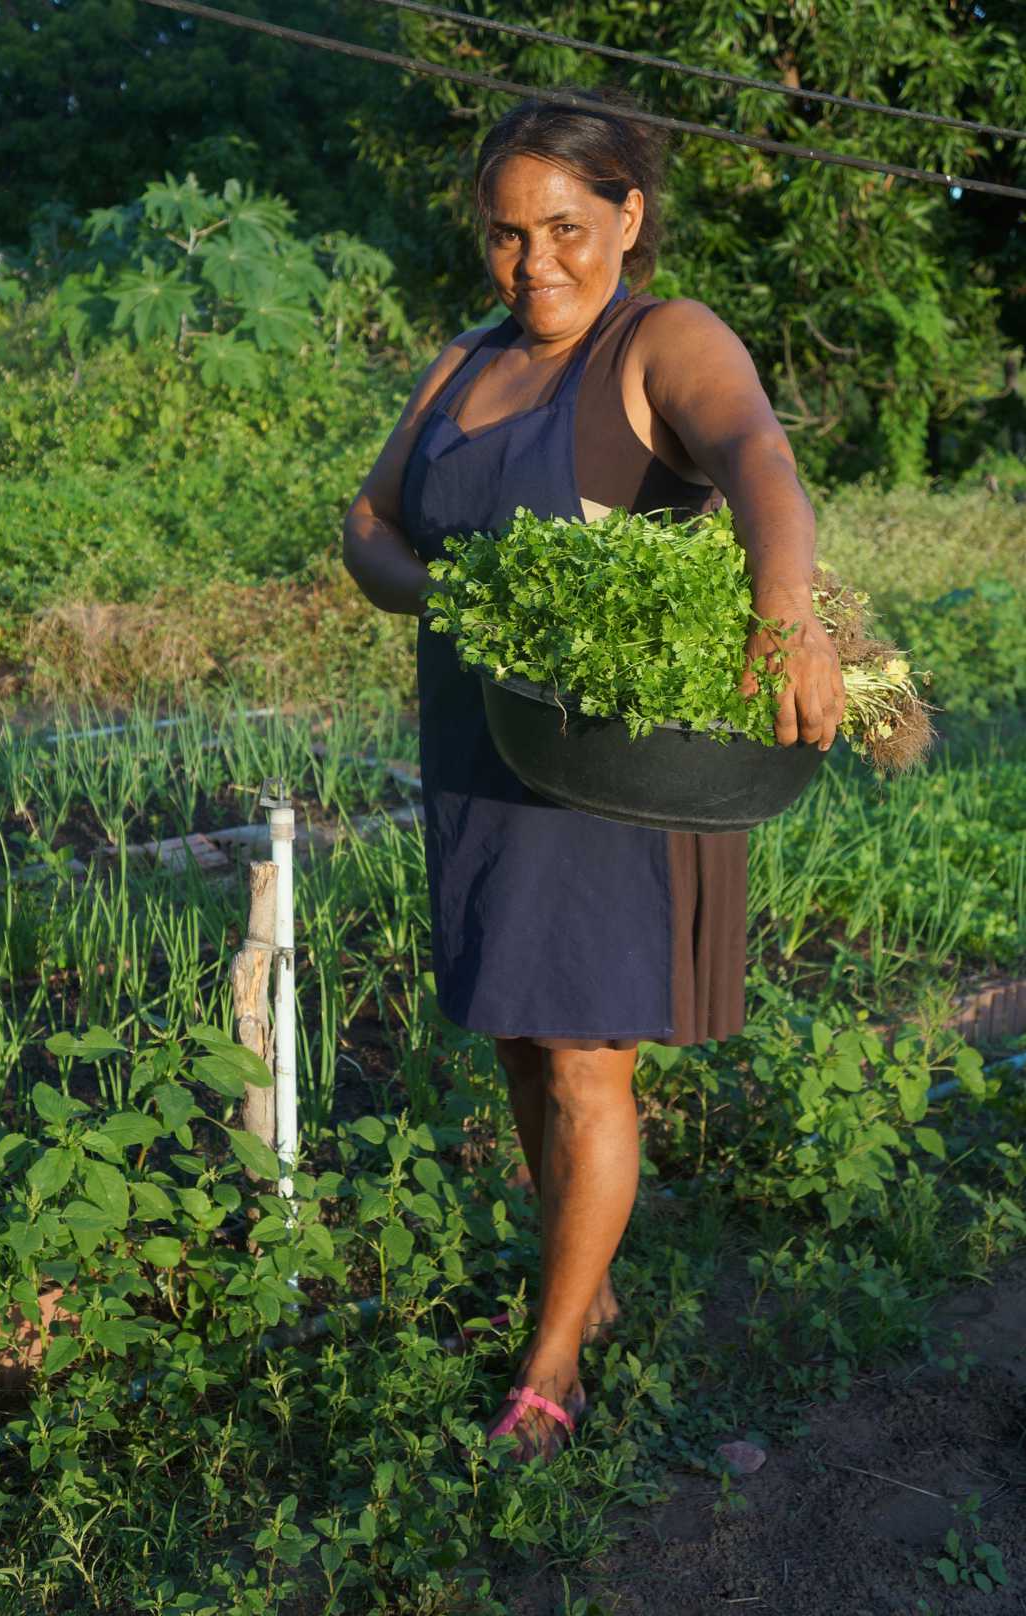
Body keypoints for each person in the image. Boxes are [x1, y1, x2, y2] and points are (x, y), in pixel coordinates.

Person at [343, 88, 845, 1463]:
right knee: (516, 1029)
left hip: (614, 774)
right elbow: (373, 520)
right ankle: (593, 1281)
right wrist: (442, 587)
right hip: (482, 756)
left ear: (628, 216)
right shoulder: (460, 364)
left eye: (566, 226)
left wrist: (784, 612)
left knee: (585, 1061)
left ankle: (553, 1365)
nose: (536, 263)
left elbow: (758, 459)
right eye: (506, 235)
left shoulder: (662, 343)